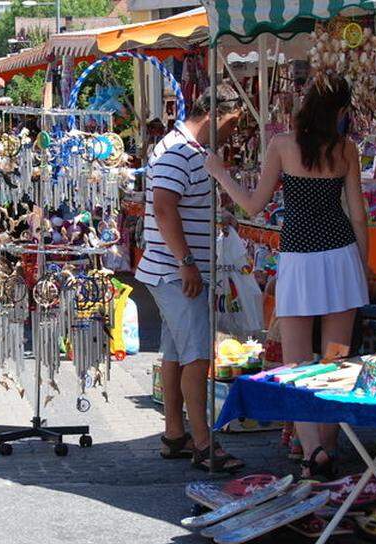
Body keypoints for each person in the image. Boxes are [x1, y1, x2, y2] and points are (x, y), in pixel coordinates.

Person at [206, 74, 370, 480]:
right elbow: (359, 214)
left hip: (300, 258)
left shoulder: (281, 145)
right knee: (336, 361)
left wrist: (222, 174)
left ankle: (312, 450)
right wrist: (362, 267)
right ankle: (327, 444)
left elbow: (253, 205)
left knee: (297, 365)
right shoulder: (347, 149)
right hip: (342, 257)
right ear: (341, 112)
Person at [137, 83, 245, 473]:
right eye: (232, 123)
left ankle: (175, 434)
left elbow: (174, 206)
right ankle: (204, 443)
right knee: (198, 356)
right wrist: (186, 261)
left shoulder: (183, 149)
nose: (233, 132)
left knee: (177, 354)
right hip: (175, 270)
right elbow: (164, 209)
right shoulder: (179, 151)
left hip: (172, 268)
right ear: (216, 115)